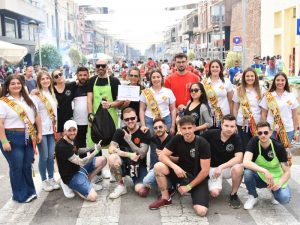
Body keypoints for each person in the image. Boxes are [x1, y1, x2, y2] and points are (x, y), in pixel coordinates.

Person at [148, 115, 210, 217]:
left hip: (196, 177)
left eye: (189, 128)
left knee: (201, 211)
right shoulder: (177, 139)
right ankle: (165, 198)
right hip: (180, 174)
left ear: (194, 128)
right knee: (158, 166)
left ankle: (187, 190)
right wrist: (175, 167)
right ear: (180, 129)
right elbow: (162, 156)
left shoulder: (203, 143)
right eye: (184, 128)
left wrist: (188, 187)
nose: (187, 131)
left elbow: (205, 171)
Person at [0, 74, 42, 203]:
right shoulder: (3, 101)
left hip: (28, 136)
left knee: (26, 165)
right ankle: (19, 195)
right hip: (11, 137)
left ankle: (30, 191)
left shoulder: (28, 99)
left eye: (18, 83)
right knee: (16, 166)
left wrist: (39, 133)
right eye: (12, 83)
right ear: (7, 86)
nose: (16, 86)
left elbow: (36, 117)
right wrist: (4, 141)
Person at [55, 120, 107, 201]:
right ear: (65, 130)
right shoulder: (62, 146)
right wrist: (95, 152)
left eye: (74, 130)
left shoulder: (73, 139)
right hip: (71, 176)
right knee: (93, 197)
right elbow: (81, 162)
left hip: (78, 168)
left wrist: (92, 147)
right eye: (69, 130)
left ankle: (87, 181)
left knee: (103, 160)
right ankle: (71, 186)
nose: (72, 133)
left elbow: (78, 150)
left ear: (77, 130)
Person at [243, 122, 291, 209]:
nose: (263, 135)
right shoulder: (254, 141)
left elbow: (287, 172)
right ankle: (253, 196)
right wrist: (264, 171)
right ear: (256, 133)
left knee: (284, 199)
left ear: (271, 132)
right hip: (261, 175)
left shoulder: (279, 147)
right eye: (260, 133)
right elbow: (245, 162)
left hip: (276, 177)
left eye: (266, 132)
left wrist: (279, 184)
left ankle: (274, 192)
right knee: (247, 172)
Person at [201, 114, 243, 209]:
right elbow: (197, 142)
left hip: (226, 168)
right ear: (221, 125)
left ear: (235, 127)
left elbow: (239, 158)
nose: (229, 129)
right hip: (212, 168)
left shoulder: (236, 138)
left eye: (232, 126)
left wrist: (221, 167)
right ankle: (207, 182)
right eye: (226, 126)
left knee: (238, 168)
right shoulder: (210, 134)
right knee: (214, 193)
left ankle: (233, 194)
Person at [108, 108, 151, 199]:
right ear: (123, 121)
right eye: (127, 119)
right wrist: (129, 155)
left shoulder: (144, 132)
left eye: (132, 118)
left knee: (142, 191)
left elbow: (142, 154)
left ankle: (136, 180)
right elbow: (111, 149)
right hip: (124, 164)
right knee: (112, 158)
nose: (130, 121)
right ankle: (121, 186)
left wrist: (129, 141)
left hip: (138, 167)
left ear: (136, 118)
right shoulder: (120, 131)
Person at [140, 69, 176, 168]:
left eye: (158, 77)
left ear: (162, 78)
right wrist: (143, 125)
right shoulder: (146, 92)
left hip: (166, 120)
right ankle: (153, 169)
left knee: (167, 145)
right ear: (150, 79)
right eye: (153, 77)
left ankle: (167, 169)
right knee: (154, 146)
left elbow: (173, 109)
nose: (156, 79)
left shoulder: (168, 91)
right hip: (150, 121)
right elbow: (142, 110)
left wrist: (173, 125)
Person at [32, 70, 60, 192]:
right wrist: (38, 131)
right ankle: (43, 181)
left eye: (47, 78)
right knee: (43, 157)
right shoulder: (36, 95)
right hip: (41, 130)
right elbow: (35, 114)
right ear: (38, 81)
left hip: (52, 130)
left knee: (50, 157)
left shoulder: (51, 93)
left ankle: (51, 178)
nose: (45, 81)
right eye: (42, 79)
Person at [87, 58, 122, 148]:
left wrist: (110, 104)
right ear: (95, 67)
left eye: (103, 66)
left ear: (107, 67)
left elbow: (120, 101)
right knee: (95, 146)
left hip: (111, 118)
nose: (101, 68)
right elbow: (89, 99)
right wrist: (90, 114)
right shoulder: (91, 81)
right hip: (95, 118)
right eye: (98, 66)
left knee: (112, 146)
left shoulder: (114, 81)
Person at [260, 72, 299, 149]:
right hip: (271, 130)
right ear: (274, 81)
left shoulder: (291, 95)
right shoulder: (268, 96)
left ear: (285, 82)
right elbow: (263, 114)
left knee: (284, 153)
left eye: (282, 80)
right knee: (271, 152)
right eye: (278, 80)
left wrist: (296, 131)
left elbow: (295, 116)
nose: (280, 82)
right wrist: (264, 128)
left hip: (287, 130)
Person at [142, 118, 176, 192]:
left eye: (160, 127)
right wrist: (143, 129)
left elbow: (179, 159)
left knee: (165, 188)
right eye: (155, 128)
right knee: (145, 182)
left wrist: (165, 156)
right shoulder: (155, 138)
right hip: (160, 167)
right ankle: (161, 182)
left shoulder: (173, 140)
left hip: (173, 169)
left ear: (166, 128)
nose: (158, 129)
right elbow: (146, 138)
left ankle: (171, 186)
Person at [233, 68, 262, 150]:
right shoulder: (238, 90)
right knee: (244, 147)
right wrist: (234, 123)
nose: (250, 78)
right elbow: (235, 108)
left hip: (256, 123)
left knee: (255, 148)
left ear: (255, 77)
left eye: (252, 76)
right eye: (247, 76)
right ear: (244, 78)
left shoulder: (261, 90)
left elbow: (263, 109)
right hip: (242, 124)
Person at [202, 59, 234, 128]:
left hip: (224, 115)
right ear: (210, 69)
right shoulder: (204, 82)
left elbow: (231, 101)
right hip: (209, 115)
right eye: (212, 67)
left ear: (220, 69)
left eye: (217, 67)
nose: (215, 69)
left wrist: (231, 115)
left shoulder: (226, 81)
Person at [51, 69, 76, 140]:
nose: (59, 76)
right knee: (59, 143)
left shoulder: (71, 86)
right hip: (57, 120)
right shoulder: (51, 89)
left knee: (68, 142)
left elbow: (82, 82)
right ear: (54, 80)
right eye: (56, 76)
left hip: (68, 118)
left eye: (60, 74)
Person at [73, 67, 90, 151]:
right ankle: (82, 164)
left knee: (93, 145)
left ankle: (95, 163)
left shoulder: (92, 86)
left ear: (88, 75)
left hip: (91, 121)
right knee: (80, 146)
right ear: (77, 76)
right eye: (80, 75)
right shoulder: (73, 87)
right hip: (78, 122)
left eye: (85, 75)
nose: (82, 77)